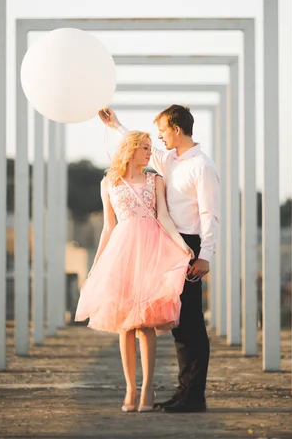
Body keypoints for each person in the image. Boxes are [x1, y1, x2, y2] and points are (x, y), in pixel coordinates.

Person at [99, 105, 220, 413]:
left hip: (190, 244)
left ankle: (194, 396)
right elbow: (138, 150)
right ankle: (184, 391)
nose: (160, 137)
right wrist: (116, 125)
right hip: (166, 243)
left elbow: (209, 214)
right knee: (178, 321)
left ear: (177, 130)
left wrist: (205, 255)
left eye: (164, 131)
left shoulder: (202, 166)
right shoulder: (170, 160)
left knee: (191, 319)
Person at [75, 131, 193, 413]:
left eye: (151, 148)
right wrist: (97, 263)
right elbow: (107, 226)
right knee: (125, 324)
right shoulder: (109, 182)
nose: (149, 153)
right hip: (122, 251)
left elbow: (163, 215)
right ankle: (130, 387)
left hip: (151, 249)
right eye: (144, 148)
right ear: (130, 149)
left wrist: (181, 244)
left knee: (146, 322)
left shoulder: (155, 180)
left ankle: (148, 386)